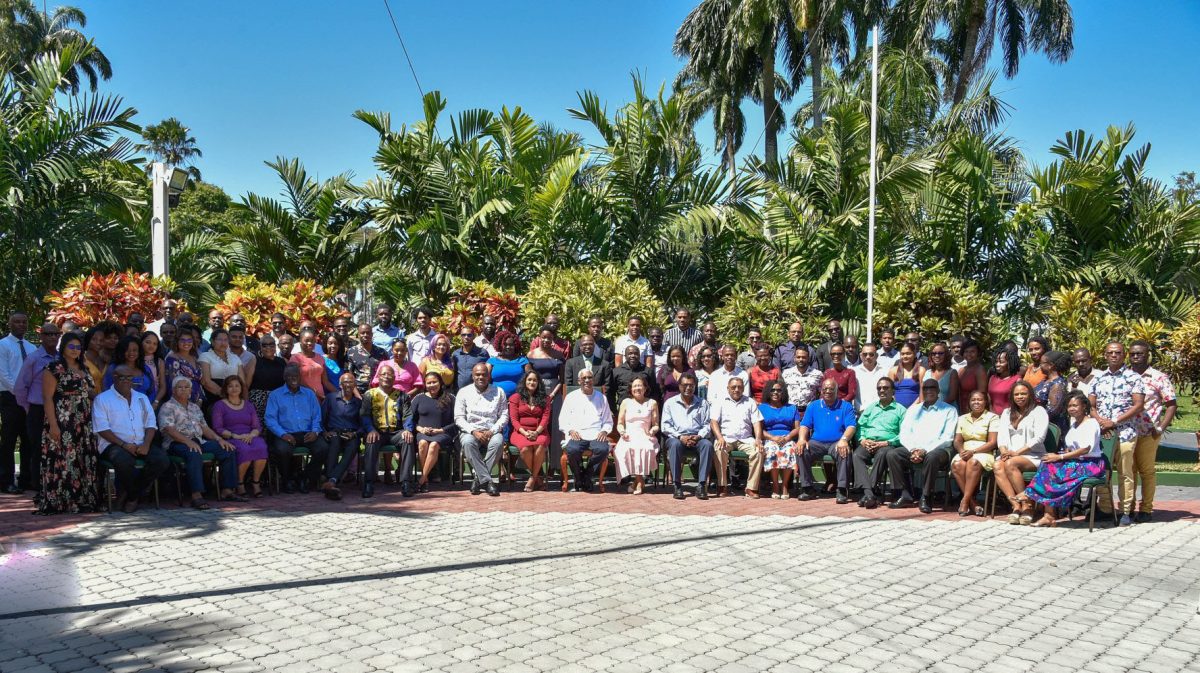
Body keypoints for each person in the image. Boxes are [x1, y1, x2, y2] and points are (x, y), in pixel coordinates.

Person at [33, 331, 98, 514]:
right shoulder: (53, 368)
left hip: (83, 420)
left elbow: (89, 393)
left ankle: (82, 499)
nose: (75, 350)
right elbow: (47, 398)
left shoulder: (84, 368)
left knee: (81, 458)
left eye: (78, 347)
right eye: (71, 346)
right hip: (63, 419)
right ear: (63, 347)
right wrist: (53, 425)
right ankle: (61, 501)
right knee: (63, 460)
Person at [1023, 391, 1107, 527]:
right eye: (1069, 406)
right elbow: (1073, 447)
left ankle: (1030, 495)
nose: (1072, 408)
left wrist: (1060, 456)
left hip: (1090, 464)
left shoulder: (1091, 423)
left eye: (1075, 405)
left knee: (1051, 469)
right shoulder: (1074, 424)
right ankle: (1048, 515)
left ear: (1084, 406)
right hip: (1076, 462)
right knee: (1047, 463)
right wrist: (1064, 453)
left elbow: (1086, 449)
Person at [159, 376, 244, 509]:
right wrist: (188, 442)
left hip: (198, 441)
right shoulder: (167, 407)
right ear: (173, 390)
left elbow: (204, 428)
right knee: (194, 453)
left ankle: (227, 490)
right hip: (176, 443)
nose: (183, 390)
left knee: (228, 449)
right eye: (180, 387)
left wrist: (219, 439)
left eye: (187, 387)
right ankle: (196, 495)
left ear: (190, 391)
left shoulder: (194, 407)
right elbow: (169, 430)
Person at [93, 364, 167, 512]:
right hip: (114, 444)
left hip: (140, 442)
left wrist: (146, 445)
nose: (127, 381)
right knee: (124, 461)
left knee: (162, 460)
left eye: (130, 378)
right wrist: (124, 445)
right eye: (123, 378)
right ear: (114, 378)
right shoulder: (102, 399)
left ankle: (131, 495)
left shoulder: (142, 398)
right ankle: (134, 497)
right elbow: (102, 429)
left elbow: (151, 424)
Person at [1088, 340, 1146, 526]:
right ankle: (1105, 508)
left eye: (1118, 353)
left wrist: (1114, 421)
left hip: (1125, 432)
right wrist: (1100, 421)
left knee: (1125, 472)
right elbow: (1091, 405)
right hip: (1104, 433)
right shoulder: (1098, 378)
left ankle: (1125, 511)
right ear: (1105, 355)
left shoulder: (1133, 378)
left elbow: (1138, 405)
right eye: (1110, 353)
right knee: (1103, 470)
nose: (1114, 355)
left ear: (1124, 355)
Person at [889, 378, 959, 513]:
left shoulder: (949, 410)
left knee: (931, 457)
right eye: (926, 389)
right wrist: (913, 449)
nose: (929, 391)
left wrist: (924, 450)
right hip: (914, 448)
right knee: (893, 454)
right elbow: (904, 433)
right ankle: (905, 495)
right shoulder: (913, 410)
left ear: (938, 391)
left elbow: (947, 437)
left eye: (932, 388)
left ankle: (926, 497)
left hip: (939, 450)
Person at [1129, 340, 1177, 523]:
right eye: (1132, 354)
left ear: (1147, 354)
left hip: (1149, 432)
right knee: (1128, 471)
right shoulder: (1126, 376)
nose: (1135, 357)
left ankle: (1146, 509)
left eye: (1139, 353)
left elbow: (1171, 404)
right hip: (1128, 431)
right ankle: (1129, 507)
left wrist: (1161, 427)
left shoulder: (1158, 377)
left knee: (1146, 471)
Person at [264, 363, 330, 494]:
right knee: (282, 451)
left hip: (307, 433)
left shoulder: (309, 394)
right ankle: (287, 480)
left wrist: (315, 431)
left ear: (300, 377)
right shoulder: (275, 395)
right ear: (284, 377)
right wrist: (283, 434)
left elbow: (317, 415)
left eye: (296, 376)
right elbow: (270, 419)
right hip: (286, 433)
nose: (293, 379)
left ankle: (305, 478)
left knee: (323, 448)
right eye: (289, 376)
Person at [14, 323, 62, 492]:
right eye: (48, 334)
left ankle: (55, 485)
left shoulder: (61, 359)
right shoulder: (33, 359)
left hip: (58, 411)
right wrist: (29, 408)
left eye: (56, 334)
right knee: (37, 449)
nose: (52, 337)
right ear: (41, 336)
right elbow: (20, 388)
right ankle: (38, 486)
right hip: (37, 409)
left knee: (57, 449)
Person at [995, 380, 1050, 525]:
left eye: (1023, 393)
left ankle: (1027, 506)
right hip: (1011, 454)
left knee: (1011, 463)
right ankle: (1016, 506)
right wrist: (1004, 451)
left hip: (1033, 455)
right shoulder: (1007, 412)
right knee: (997, 466)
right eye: (1017, 394)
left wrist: (1017, 453)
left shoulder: (1038, 411)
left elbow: (1039, 438)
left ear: (1030, 395)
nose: (1020, 397)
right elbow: (1001, 437)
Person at [795, 379, 856, 503]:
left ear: (837, 391)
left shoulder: (846, 406)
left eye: (831, 389)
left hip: (837, 442)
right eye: (825, 389)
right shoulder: (813, 405)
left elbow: (851, 426)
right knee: (801, 450)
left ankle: (842, 489)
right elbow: (805, 425)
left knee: (844, 451)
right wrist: (801, 439)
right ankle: (807, 488)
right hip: (817, 442)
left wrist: (844, 440)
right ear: (821, 391)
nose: (827, 391)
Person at [359, 365, 413, 499]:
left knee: (407, 439)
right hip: (377, 432)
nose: (387, 377)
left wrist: (408, 430)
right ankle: (369, 482)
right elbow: (364, 415)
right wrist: (370, 430)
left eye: (390, 374)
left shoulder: (402, 395)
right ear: (378, 377)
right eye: (383, 374)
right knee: (370, 441)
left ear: (394, 378)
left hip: (396, 432)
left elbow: (408, 415)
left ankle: (406, 482)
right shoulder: (369, 394)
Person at [852, 377, 906, 509]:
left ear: (893, 391)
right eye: (879, 388)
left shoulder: (901, 410)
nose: (882, 390)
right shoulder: (871, 408)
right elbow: (860, 427)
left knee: (882, 454)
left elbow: (904, 433)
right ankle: (870, 493)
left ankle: (868, 494)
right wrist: (863, 440)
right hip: (868, 443)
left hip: (887, 445)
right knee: (856, 456)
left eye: (886, 388)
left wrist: (885, 442)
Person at [454, 363, 507, 497]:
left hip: (491, 431)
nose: (481, 377)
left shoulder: (499, 392)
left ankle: (478, 479)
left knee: (498, 442)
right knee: (467, 443)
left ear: (489, 376)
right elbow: (459, 418)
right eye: (477, 374)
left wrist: (493, 430)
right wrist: (473, 431)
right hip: (471, 431)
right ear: (472, 376)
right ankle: (488, 481)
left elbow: (504, 416)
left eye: (484, 374)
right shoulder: (463, 392)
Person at [211, 375, 268, 499]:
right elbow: (218, 428)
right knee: (245, 450)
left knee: (261, 447)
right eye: (230, 386)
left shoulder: (248, 405)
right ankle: (239, 483)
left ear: (242, 388)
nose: (234, 388)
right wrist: (235, 435)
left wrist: (251, 435)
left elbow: (257, 426)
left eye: (237, 385)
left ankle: (256, 482)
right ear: (225, 389)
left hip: (249, 435)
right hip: (231, 437)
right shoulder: (219, 405)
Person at [559, 369, 613, 493]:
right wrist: (570, 430)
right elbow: (563, 419)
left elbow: (608, 420)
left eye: (589, 377)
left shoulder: (601, 398)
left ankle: (587, 475)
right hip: (577, 433)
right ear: (579, 381)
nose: (587, 380)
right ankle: (578, 477)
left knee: (603, 449)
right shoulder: (571, 397)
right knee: (572, 450)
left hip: (596, 433)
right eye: (584, 378)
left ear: (593, 380)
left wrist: (604, 431)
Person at [0, 311, 36, 493]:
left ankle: (26, 479)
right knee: (9, 439)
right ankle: (6, 480)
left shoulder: (31, 347)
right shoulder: (3, 345)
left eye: (24, 322)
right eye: (17, 322)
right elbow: (3, 374)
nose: (21, 325)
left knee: (28, 439)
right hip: (10, 397)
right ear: (10, 324)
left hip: (29, 399)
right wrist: (19, 392)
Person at [711, 376, 765, 498]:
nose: (736, 389)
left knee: (759, 451)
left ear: (743, 388)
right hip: (726, 438)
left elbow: (756, 422)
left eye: (740, 387)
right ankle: (722, 485)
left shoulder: (750, 402)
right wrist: (719, 437)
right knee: (718, 449)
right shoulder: (720, 401)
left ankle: (751, 487)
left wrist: (758, 439)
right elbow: (713, 421)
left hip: (745, 439)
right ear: (728, 388)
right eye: (733, 387)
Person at [662, 373, 713, 500]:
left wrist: (698, 436)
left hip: (697, 439)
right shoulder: (670, 403)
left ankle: (701, 485)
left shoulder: (703, 403)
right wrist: (680, 437)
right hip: (677, 438)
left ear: (695, 386)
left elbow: (707, 425)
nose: (688, 388)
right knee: (674, 444)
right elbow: (665, 426)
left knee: (707, 445)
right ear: (679, 386)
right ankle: (677, 485)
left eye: (691, 385)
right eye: (685, 385)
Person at [950, 390, 999, 517]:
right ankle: (972, 502)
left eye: (979, 400)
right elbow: (957, 440)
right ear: (969, 402)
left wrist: (974, 452)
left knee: (973, 462)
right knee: (957, 464)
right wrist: (961, 451)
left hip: (983, 451)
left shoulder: (992, 417)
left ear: (985, 402)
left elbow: (993, 442)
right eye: (973, 400)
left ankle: (965, 501)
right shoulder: (962, 418)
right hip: (965, 451)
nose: (976, 402)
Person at [317, 371, 363, 500]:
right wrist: (325, 432)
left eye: (351, 382)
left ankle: (330, 480)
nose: (348, 385)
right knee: (334, 441)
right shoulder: (331, 398)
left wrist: (355, 433)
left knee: (353, 445)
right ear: (340, 384)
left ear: (354, 385)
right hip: (334, 432)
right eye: (345, 382)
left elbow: (363, 425)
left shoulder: (358, 403)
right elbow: (320, 419)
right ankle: (332, 480)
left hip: (351, 434)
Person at [410, 371, 457, 493]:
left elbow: (457, 421)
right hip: (423, 432)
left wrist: (441, 430)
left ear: (440, 383)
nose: (432, 385)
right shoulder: (418, 398)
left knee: (433, 445)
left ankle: (422, 480)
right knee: (422, 444)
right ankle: (426, 478)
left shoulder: (449, 398)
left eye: (434, 382)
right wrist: (420, 429)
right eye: (428, 383)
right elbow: (409, 419)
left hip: (443, 433)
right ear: (425, 385)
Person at [612, 378, 659, 495]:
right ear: (631, 389)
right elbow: (620, 423)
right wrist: (622, 432)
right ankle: (640, 481)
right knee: (621, 450)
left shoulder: (652, 402)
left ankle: (636, 483)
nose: (637, 388)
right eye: (634, 386)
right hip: (629, 435)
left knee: (644, 448)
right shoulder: (626, 402)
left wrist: (653, 430)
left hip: (645, 434)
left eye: (640, 386)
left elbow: (656, 425)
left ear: (645, 388)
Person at [759, 380, 800, 500]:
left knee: (790, 450)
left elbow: (797, 428)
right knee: (772, 450)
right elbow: (759, 430)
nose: (775, 392)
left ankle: (785, 485)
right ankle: (776, 485)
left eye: (778, 390)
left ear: (783, 392)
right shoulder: (762, 408)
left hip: (787, 438)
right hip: (770, 438)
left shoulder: (792, 408)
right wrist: (773, 438)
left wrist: (787, 438)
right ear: (768, 392)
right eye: (772, 390)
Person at [509, 371, 550, 492]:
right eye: (529, 380)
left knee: (540, 445)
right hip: (520, 432)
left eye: (535, 380)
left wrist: (536, 432)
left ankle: (532, 478)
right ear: (525, 381)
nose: (532, 382)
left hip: (540, 431)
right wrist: (525, 433)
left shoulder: (545, 398)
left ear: (538, 383)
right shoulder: (515, 398)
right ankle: (538, 479)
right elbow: (514, 420)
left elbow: (545, 418)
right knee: (526, 448)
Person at [102, 336, 158, 406]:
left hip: (144, 410)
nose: (131, 353)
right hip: (119, 410)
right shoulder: (113, 368)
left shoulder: (145, 369)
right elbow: (107, 390)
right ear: (121, 351)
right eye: (127, 350)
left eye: (134, 350)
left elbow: (152, 391)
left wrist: (146, 406)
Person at [1035, 350, 1071, 444]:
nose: (1039, 366)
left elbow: (1053, 410)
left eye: (1041, 363)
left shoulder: (1058, 384)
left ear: (1050, 365)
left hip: (1052, 429)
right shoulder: (1045, 381)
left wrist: (1033, 419)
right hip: (1041, 426)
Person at [290, 328, 334, 402]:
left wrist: (339, 393)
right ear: (300, 341)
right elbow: (296, 380)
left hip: (320, 398)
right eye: (307, 340)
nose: (310, 343)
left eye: (312, 341)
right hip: (302, 397)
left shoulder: (320, 358)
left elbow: (326, 382)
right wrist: (313, 393)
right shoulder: (295, 358)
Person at [165, 328, 204, 406]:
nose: (186, 343)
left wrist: (200, 400)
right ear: (177, 342)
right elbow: (171, 384)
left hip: (199, 401)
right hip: (181, 402)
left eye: (189, 340)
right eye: (182, 340)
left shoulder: (195, 357)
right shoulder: (172, 359)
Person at [485, 330, 529, 398]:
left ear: (515, 345)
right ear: (500, 345)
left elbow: (532, 378)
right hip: (495, 398)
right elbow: (485, 381)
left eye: (511, 345)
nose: (508, 347)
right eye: (505, 344)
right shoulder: (492, 362)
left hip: (518, 400)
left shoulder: (523, 361)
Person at [348, 322, 386, 394]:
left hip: (378, 391)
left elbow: (386, 373)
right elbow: (350, 376)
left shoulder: (381, 352)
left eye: (368, 333)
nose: (365, 335)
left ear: (372, 334)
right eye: (362, 333)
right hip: (358, 392)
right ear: (358, 335)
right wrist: (357, 395)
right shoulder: (351, 352)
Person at [781, 348, 822, 413]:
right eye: (798, 357)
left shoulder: (817, 374)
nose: (801, 359)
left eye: (804, 357)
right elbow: (782, 393)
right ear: (794, 358)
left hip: (810, 411)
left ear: (808, 358)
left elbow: (821, 394)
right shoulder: (786, 373)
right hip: (790, 410)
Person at [451, 325, 489, 393]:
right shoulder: (456, 354)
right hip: (459, 392)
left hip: (477, 392)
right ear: (461, 336)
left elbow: (488, 373)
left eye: (469, 335)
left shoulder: (482, 353)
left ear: (474, 336)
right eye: (463, 335)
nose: (466, 337)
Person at [987, 343, 1022, 416]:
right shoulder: (992, 378)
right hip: (992, 416)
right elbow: (989, 399)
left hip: (1009, 417)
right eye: (996, 361)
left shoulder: (1017, 379)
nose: (997, 364)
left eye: (1001, 362)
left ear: (1009, 363)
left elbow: (1019, 403)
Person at [922, 342, 959, 407]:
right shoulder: (927, 373)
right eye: (934, 353)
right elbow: (922, 395)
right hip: (928, 410)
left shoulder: (952, 373)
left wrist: (936, 407)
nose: (937, 356)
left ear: (946, 355)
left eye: (940, 353)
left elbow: (952, 397)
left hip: (947, 410)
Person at [956, 339, 988, 414]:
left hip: (975, 411)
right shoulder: (961, 370)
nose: (969, 354)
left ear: (978, 353)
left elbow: (982, 395)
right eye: (966, 351)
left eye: (972, 351)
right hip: (961, 409)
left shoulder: (980, 370)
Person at [852, 343, 886, 410]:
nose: (868, 357)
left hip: (880, 411)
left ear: (876, 356)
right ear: (861, 356)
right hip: (860, 413)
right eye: (865, 354)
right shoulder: (854, 372)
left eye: (871, 354)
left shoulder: (884, 371)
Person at [141, 331, 169, 409]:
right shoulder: (135, 358)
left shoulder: (159, 361)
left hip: (153, 400)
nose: (151, 346)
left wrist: (156, 402)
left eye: (155, 344)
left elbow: (163, 386)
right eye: (148, 342)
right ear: (141, 342)